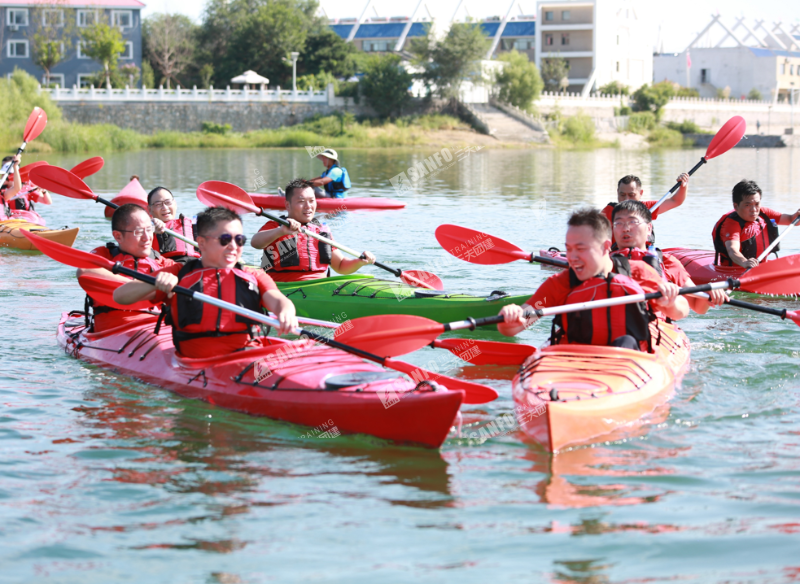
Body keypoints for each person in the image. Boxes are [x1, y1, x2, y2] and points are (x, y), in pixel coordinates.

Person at [114, 206, 298, 359]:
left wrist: (286, 312)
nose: (233, 246)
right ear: (201, 243)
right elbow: (120, 296)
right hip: (196, 363)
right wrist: (154, 283)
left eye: (239, 239)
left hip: (246, 356)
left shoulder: (254, 275)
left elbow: (278, 300)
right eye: (225, 239)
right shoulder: (180, 273)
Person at [498, 208, 689, 350]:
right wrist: (511, 317)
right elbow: (514, 327)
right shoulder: (560, 284)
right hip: (576, 356)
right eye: (569, 249)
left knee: (625, 343)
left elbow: (682, 310)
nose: (572, 257)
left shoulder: (638, 273)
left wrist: (670, 302)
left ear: (606, 247)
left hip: (628, 356)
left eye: (581, 249)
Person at [612, 200, 727, 314]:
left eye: (633, 222)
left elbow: (697, 306)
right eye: (619, 223)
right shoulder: (604, 262)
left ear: (649, 229)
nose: (625, 228)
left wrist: (708, 291)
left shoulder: (667, 262)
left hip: (655, 327)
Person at [251, 178, 375, 282]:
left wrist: (360, 262)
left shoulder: (321, 230)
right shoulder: (277, 226)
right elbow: (255, 242)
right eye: (301, 201)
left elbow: (340, 265)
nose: (308, 206)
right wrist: (280, 231)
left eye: (311, 201)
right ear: (288, 205)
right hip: (286, 288)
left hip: (320, 287)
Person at [77, 204, 176, 332]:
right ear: (118, 236)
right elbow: (84, 271)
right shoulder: (104, 255)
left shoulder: (165, 264)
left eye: (149, 229)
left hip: (157, 328)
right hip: (113, 331)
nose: (147, 237)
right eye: (139, 232)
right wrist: (146, 288)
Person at [712, 180, 800, 268]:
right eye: (748, 205)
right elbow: (732, 250)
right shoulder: (731, 224)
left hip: (760, 268)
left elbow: (791, 220)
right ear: (736, 206)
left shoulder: (764, 213)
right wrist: (744, 262)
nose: (754, 209)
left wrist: (797, 215)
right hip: (736, 270)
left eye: (757, 204)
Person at [602, 173, 690, 246]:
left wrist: (683, 186)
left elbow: (675, 201)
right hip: (617, 256)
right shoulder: (609, 210)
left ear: (641, 193)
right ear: (617, 192)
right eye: (622, 194)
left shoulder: (646, 207)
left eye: (631, 195)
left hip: (644, 256)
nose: (626, 199)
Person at [147, 186, 201, 263]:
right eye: (158, 204)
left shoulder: (193, 224)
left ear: (175, 204)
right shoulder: (148, 228)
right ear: (149, 209)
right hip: (165, 266)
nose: (164, 207)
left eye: (168, 202)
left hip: (194, 264)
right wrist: (151, 228)